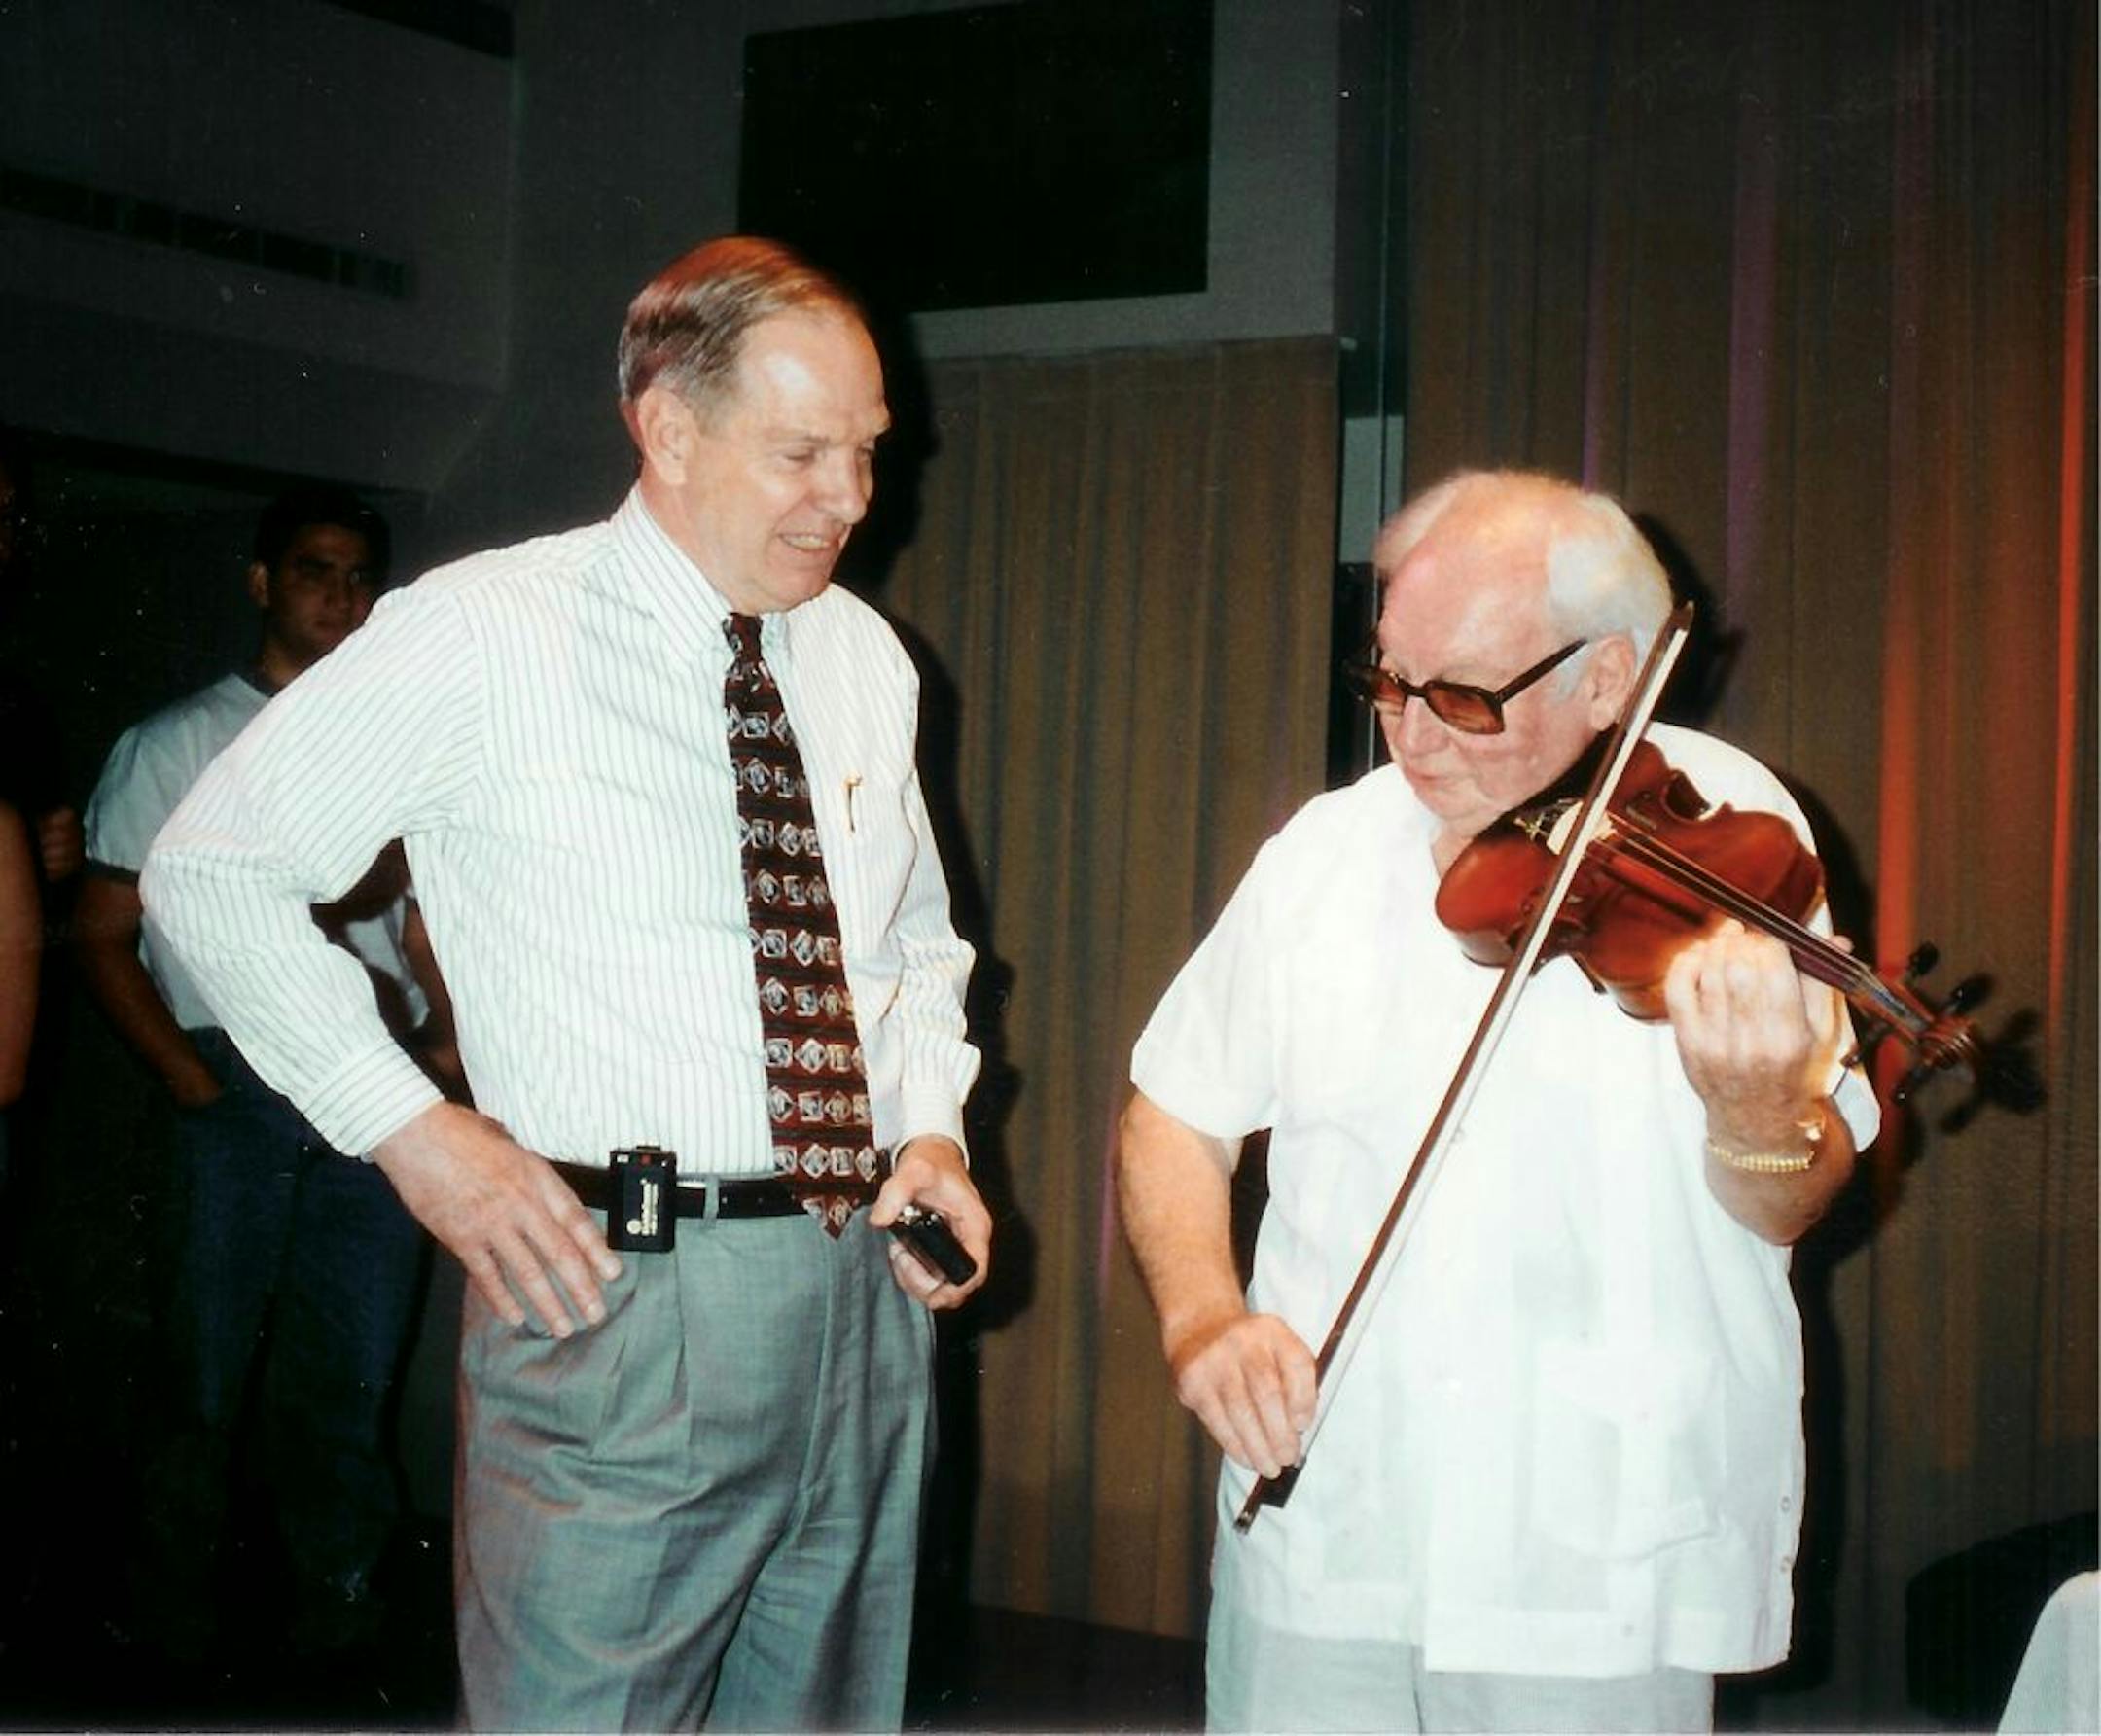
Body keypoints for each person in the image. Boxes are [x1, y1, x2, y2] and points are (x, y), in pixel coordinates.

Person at [142, 236, 992, 1731]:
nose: (852, 499)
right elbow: (208, 870)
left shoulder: (866, 655)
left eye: (866, 452)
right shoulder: (484, 633)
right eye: (802, 453)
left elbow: (912, 943)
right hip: (616, 1297)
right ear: (668, 428)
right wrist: (412, 1131)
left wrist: (929, 1127)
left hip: (863, 1294)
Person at [1117, 470, 1881, 1734]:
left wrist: (1759, 1118)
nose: (1409, 734)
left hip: (1592, 1554)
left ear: (1609, 678)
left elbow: (1796, 1198)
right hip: (1328, 1515)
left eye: (1464, 697)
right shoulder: (1322, 852)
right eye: (1387, 679)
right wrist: (1205, 1321)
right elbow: (1173, 1114)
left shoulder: (1732, 845)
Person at [74, 485, 432, 1665]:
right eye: (316, 570)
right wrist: (187, 1080)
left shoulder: (397, 751)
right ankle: (167, 1632)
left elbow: (432, 933)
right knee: (204, 1375)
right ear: (263, 582)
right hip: (232, 1088)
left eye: (357, 577)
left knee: (352, 1376)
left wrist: (446, 1055)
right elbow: (100, 929)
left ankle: (337, 1617)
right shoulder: (175, 742)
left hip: (372, 1098)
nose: (340, 596)